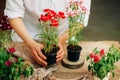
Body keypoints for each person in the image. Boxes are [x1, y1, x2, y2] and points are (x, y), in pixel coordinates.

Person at [4, 0, 91, 66]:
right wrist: (30, 43)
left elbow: (81, 16)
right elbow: (13, 13)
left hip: (63, 35)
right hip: (25, 37)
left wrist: (61, 39)